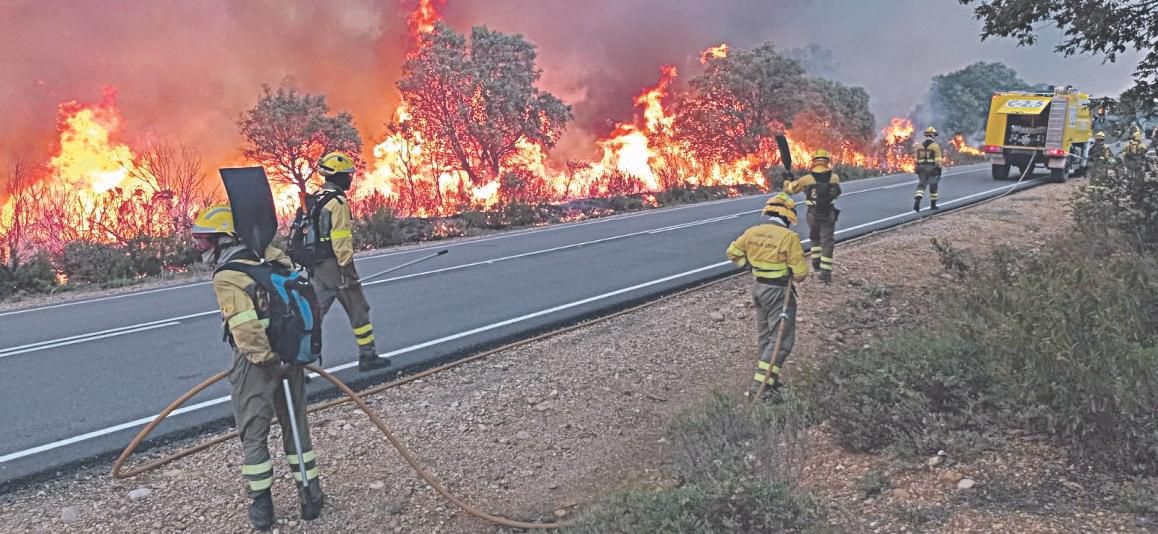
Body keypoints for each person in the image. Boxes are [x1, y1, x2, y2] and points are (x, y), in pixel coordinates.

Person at [192, 205, 324, 530]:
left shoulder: (227, 277)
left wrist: (266, 360)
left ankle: (262, 508)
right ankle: (311, 498)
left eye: (207, 242)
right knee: (296, 429)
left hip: (257, 363)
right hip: (290, 355)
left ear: (225, 241)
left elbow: (247, 329)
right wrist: (283, 358)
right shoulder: (272, 259)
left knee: (254, 432)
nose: (203, 249)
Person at [310, 152, 391, 372]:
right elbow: (341, 240)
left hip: (317, 267)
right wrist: (348, 272)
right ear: (337, 177)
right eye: (347, 175)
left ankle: (298, 365)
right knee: (359, 308)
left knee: (314, 314)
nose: (350, 179)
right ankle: (368, 356)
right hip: (335, 265)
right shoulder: (337, 202)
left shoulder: (318, 198)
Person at [726, 193, 809, 399]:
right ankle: (761, 388)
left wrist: (750, 267)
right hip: (779, 293)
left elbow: (732, 252)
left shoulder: (752, 232)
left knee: (766, 337)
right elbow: (800, 275)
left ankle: (770, 381)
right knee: (782, 341)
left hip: (758, 289)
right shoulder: (789, 238)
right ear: (788, 217)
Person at [784, 150, 841, 284]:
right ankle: (825, 274)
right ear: (827, 161)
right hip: (828, 214)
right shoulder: (834, 178)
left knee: (814, 238)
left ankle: (816, 265)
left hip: (812, 214)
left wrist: (787, 180)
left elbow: (789, 190)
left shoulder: (807, 179)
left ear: (814, 161)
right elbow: (837, 193)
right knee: (827, 242)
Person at [913, 127, 943, 212]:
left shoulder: (919, 146)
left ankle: (917, 200)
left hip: (921, 168)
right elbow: (938, 160)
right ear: (933, 135)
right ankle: (933, 205)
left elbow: (916, 159)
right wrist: (939, 168)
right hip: (932, 169)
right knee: (933, 186)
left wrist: (917, 168)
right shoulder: (935, 146)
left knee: (921, 185)